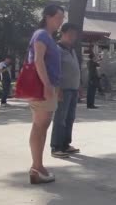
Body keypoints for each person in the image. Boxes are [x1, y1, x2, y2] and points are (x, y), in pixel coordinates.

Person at [28, 4, 64, 185]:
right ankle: (36, 167)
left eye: (62, 18)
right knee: (39, 126)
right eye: (58, 17)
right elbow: (38, 60)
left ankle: (38, 166)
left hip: (47, 86)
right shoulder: (41, 34)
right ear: (48, 17)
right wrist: (47, 85)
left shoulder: (48, 36)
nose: (60, 21)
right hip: (42, 87)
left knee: (42, 126)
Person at [50, 23, 82, 159]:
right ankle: (56, 147)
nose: (72, 36)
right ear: (62, 33)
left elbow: (75, 70)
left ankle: (65, 144)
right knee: (60, 118)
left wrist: (79, 86)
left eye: (74, 34)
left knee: (70, 118)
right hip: (63, 89)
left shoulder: (72, 50)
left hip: (73, 89)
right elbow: (55, 71)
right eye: (69, 33)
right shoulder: (57, 49)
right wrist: (58, 89)